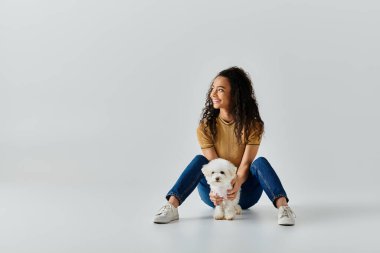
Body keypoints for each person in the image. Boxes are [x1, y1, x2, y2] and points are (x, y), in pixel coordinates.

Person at [153, 66, 296, 225]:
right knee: (200, 160)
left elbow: (246, 164)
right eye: (212, 89)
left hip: (245, 192)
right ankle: (171, 205)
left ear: (235, 94)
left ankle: (283, 207)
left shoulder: (253, 125)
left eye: (220, 90)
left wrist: (235, 187)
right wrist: (216, 191)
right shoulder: (205, 127)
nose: (212, 94)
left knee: (259, 163)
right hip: (215, 194)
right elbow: (215, 165)